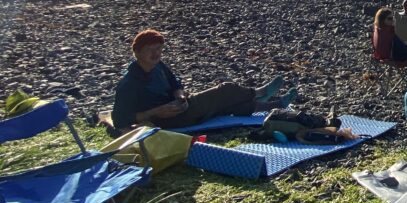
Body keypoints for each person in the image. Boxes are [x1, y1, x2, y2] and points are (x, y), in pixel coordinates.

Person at [112, 28, 296, 132]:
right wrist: (156, 112)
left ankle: (272, 105)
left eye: (159, 49)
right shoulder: (130, 83)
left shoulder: (158, 66)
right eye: (151, 50)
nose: (156, 54)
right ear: (137, 52)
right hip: (166, 122)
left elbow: (176, 83)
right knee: (225, 90)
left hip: (180, 107)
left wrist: (180, 96)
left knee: (228, 107)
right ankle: (259, 93)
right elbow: (120, 119)